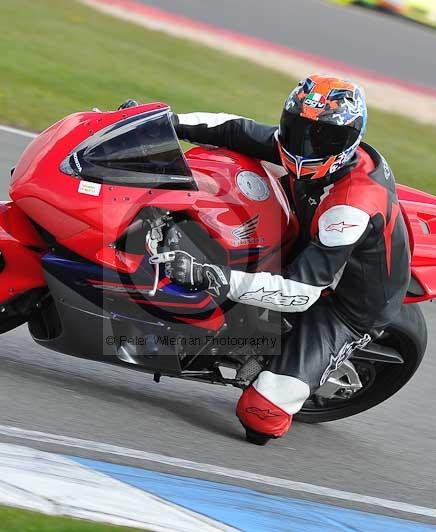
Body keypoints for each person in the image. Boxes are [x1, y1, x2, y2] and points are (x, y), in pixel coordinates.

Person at [165, 75, 411, 444]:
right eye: (298, 129)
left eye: (324, 138)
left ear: (349, 141)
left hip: (345, 304)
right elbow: (236, 129)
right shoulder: (295, 146)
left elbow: (300, 292)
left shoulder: (350, 208)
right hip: (305, 236)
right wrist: (164, 121)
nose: (307, 144)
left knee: (260, 418)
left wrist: (212, 277)